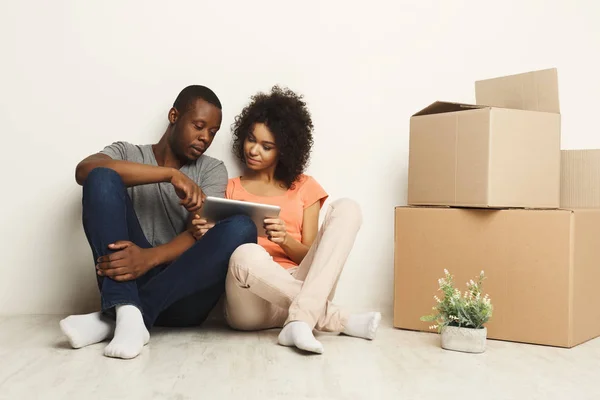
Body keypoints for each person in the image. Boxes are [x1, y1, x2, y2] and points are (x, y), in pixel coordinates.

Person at [59, 85, 257, 360]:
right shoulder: (127, 152)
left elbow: (198, 235)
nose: (205, 138)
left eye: (212, 132)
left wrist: (149, 258)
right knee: (101, 177)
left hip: (184, 296)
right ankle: (126, 312)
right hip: (127, 277)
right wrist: (168, 175)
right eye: (199, 126)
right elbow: (84, 171)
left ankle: (116, 317)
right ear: (174, 116)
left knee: (242, 227)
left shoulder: (211, 169)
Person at [191, 86, 381, 354]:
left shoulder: (305, 187)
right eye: (250, 140)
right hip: (251, 300)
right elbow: (225, 258)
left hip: (301, 283)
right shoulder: (231, 187)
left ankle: (300, 321)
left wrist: (286, 241)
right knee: (246, 252)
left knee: (347, 208)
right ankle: (337, 319)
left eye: (266, 146)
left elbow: (316, 257)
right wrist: (208, 234)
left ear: (284, 150)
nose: (253, 151)